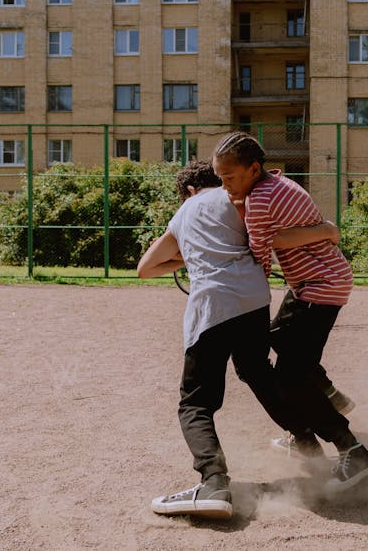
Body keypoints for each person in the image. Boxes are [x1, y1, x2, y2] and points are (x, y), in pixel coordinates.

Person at [137, 160, 338, 519]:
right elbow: (270, 236)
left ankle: (214, 482)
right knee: (257, 371)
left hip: (213, 307)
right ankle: (307, 443)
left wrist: (187, 257)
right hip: (254, 300)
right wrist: (326, 231)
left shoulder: (185, 212)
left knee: (196, 403)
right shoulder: (241, 199)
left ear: (188, 191)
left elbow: (145, 268)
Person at [212, 132, 368, 491]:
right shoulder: (278, 181)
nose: (225, 186)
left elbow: (259, 260)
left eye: (229, 177)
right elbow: (280, 237)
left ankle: (353, 450)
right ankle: (324, 399)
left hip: (318, 288)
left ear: (253, 169)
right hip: (318, 284)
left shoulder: (258, 201)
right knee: (280, 341)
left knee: (289, 376)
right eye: (220, 179)